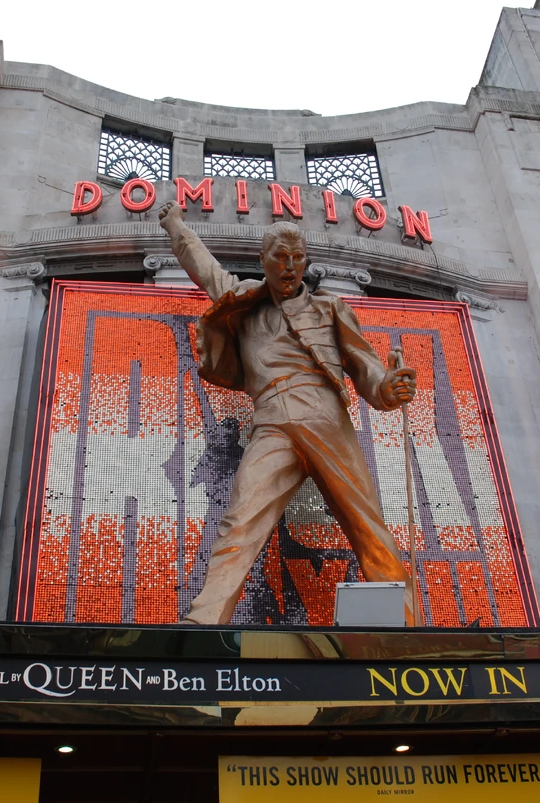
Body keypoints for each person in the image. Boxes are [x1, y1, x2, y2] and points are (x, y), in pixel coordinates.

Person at [157, 200, 418, 626]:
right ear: (263, 261)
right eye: (281, 257)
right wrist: (174, 226)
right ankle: (205, 620)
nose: (290, 266)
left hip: (325, 418)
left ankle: (407, 626)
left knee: (366, 524)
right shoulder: (243, 301)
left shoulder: (330, 308)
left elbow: (365, 365)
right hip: (272, 423)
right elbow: (203, 266)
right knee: (241, 520)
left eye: (298, 258)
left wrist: (388, 387)